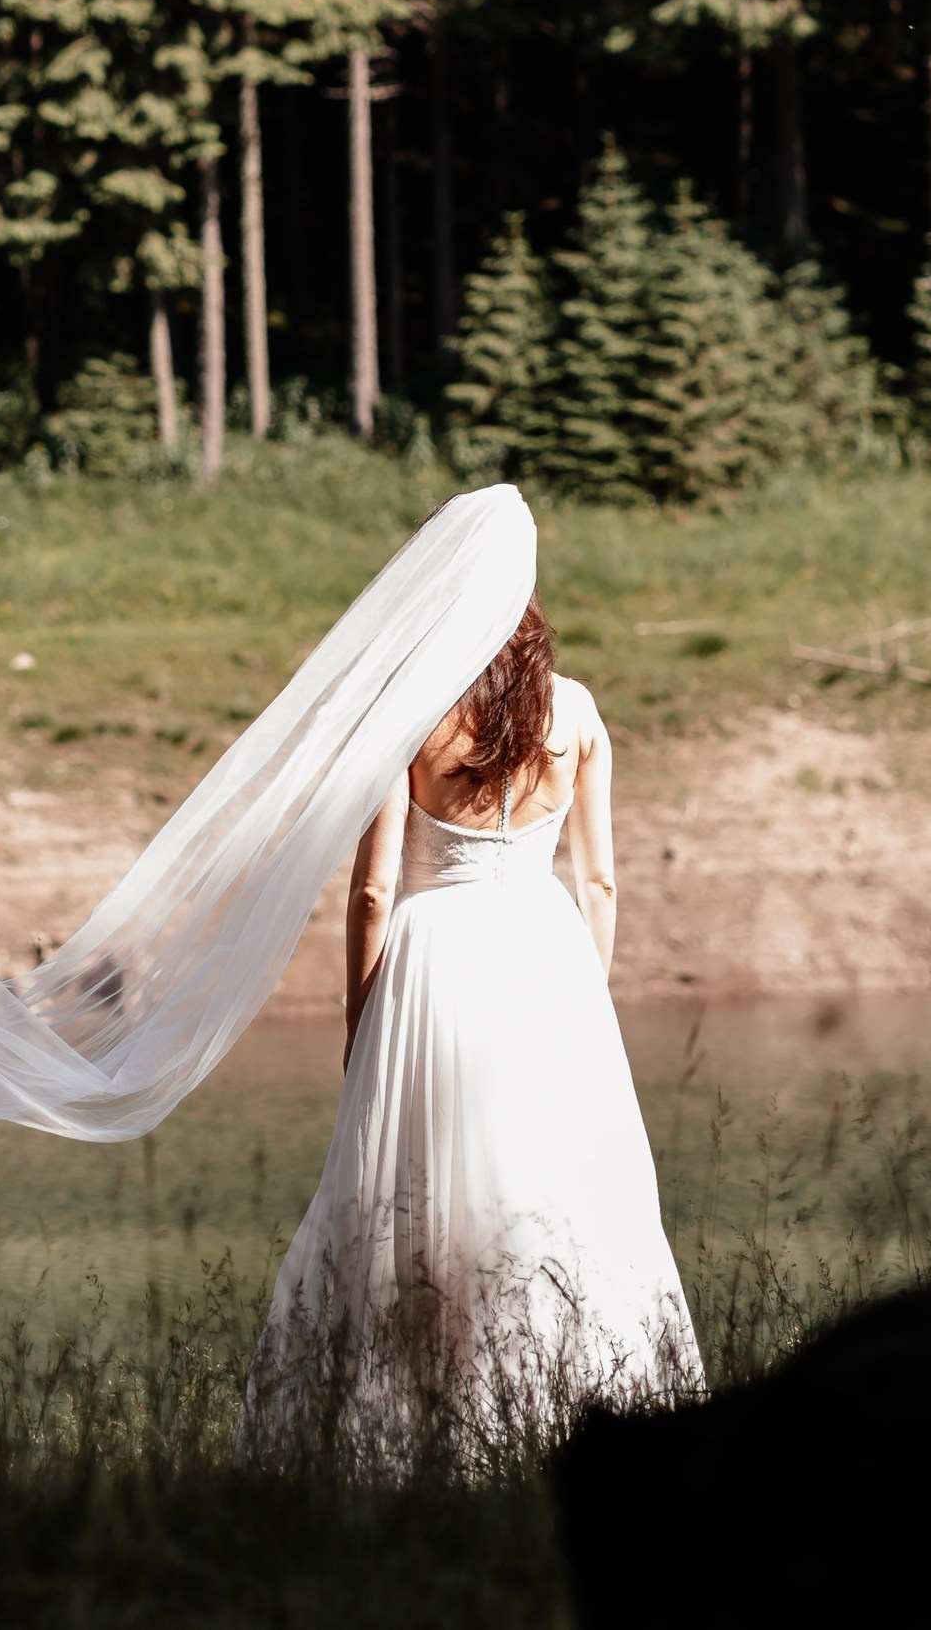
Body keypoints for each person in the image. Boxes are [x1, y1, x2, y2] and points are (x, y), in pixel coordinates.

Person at [242, 594, 702, 1457]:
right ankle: (574, 1420)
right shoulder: (576, 711)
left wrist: (362, 1024)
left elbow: (373, 892)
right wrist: (583, 999)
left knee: (416, 1197)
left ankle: (410, 1431)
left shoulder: (411, 716)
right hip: (548, 956)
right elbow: (599, 882)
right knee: (557, 1192)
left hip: (435, 963)